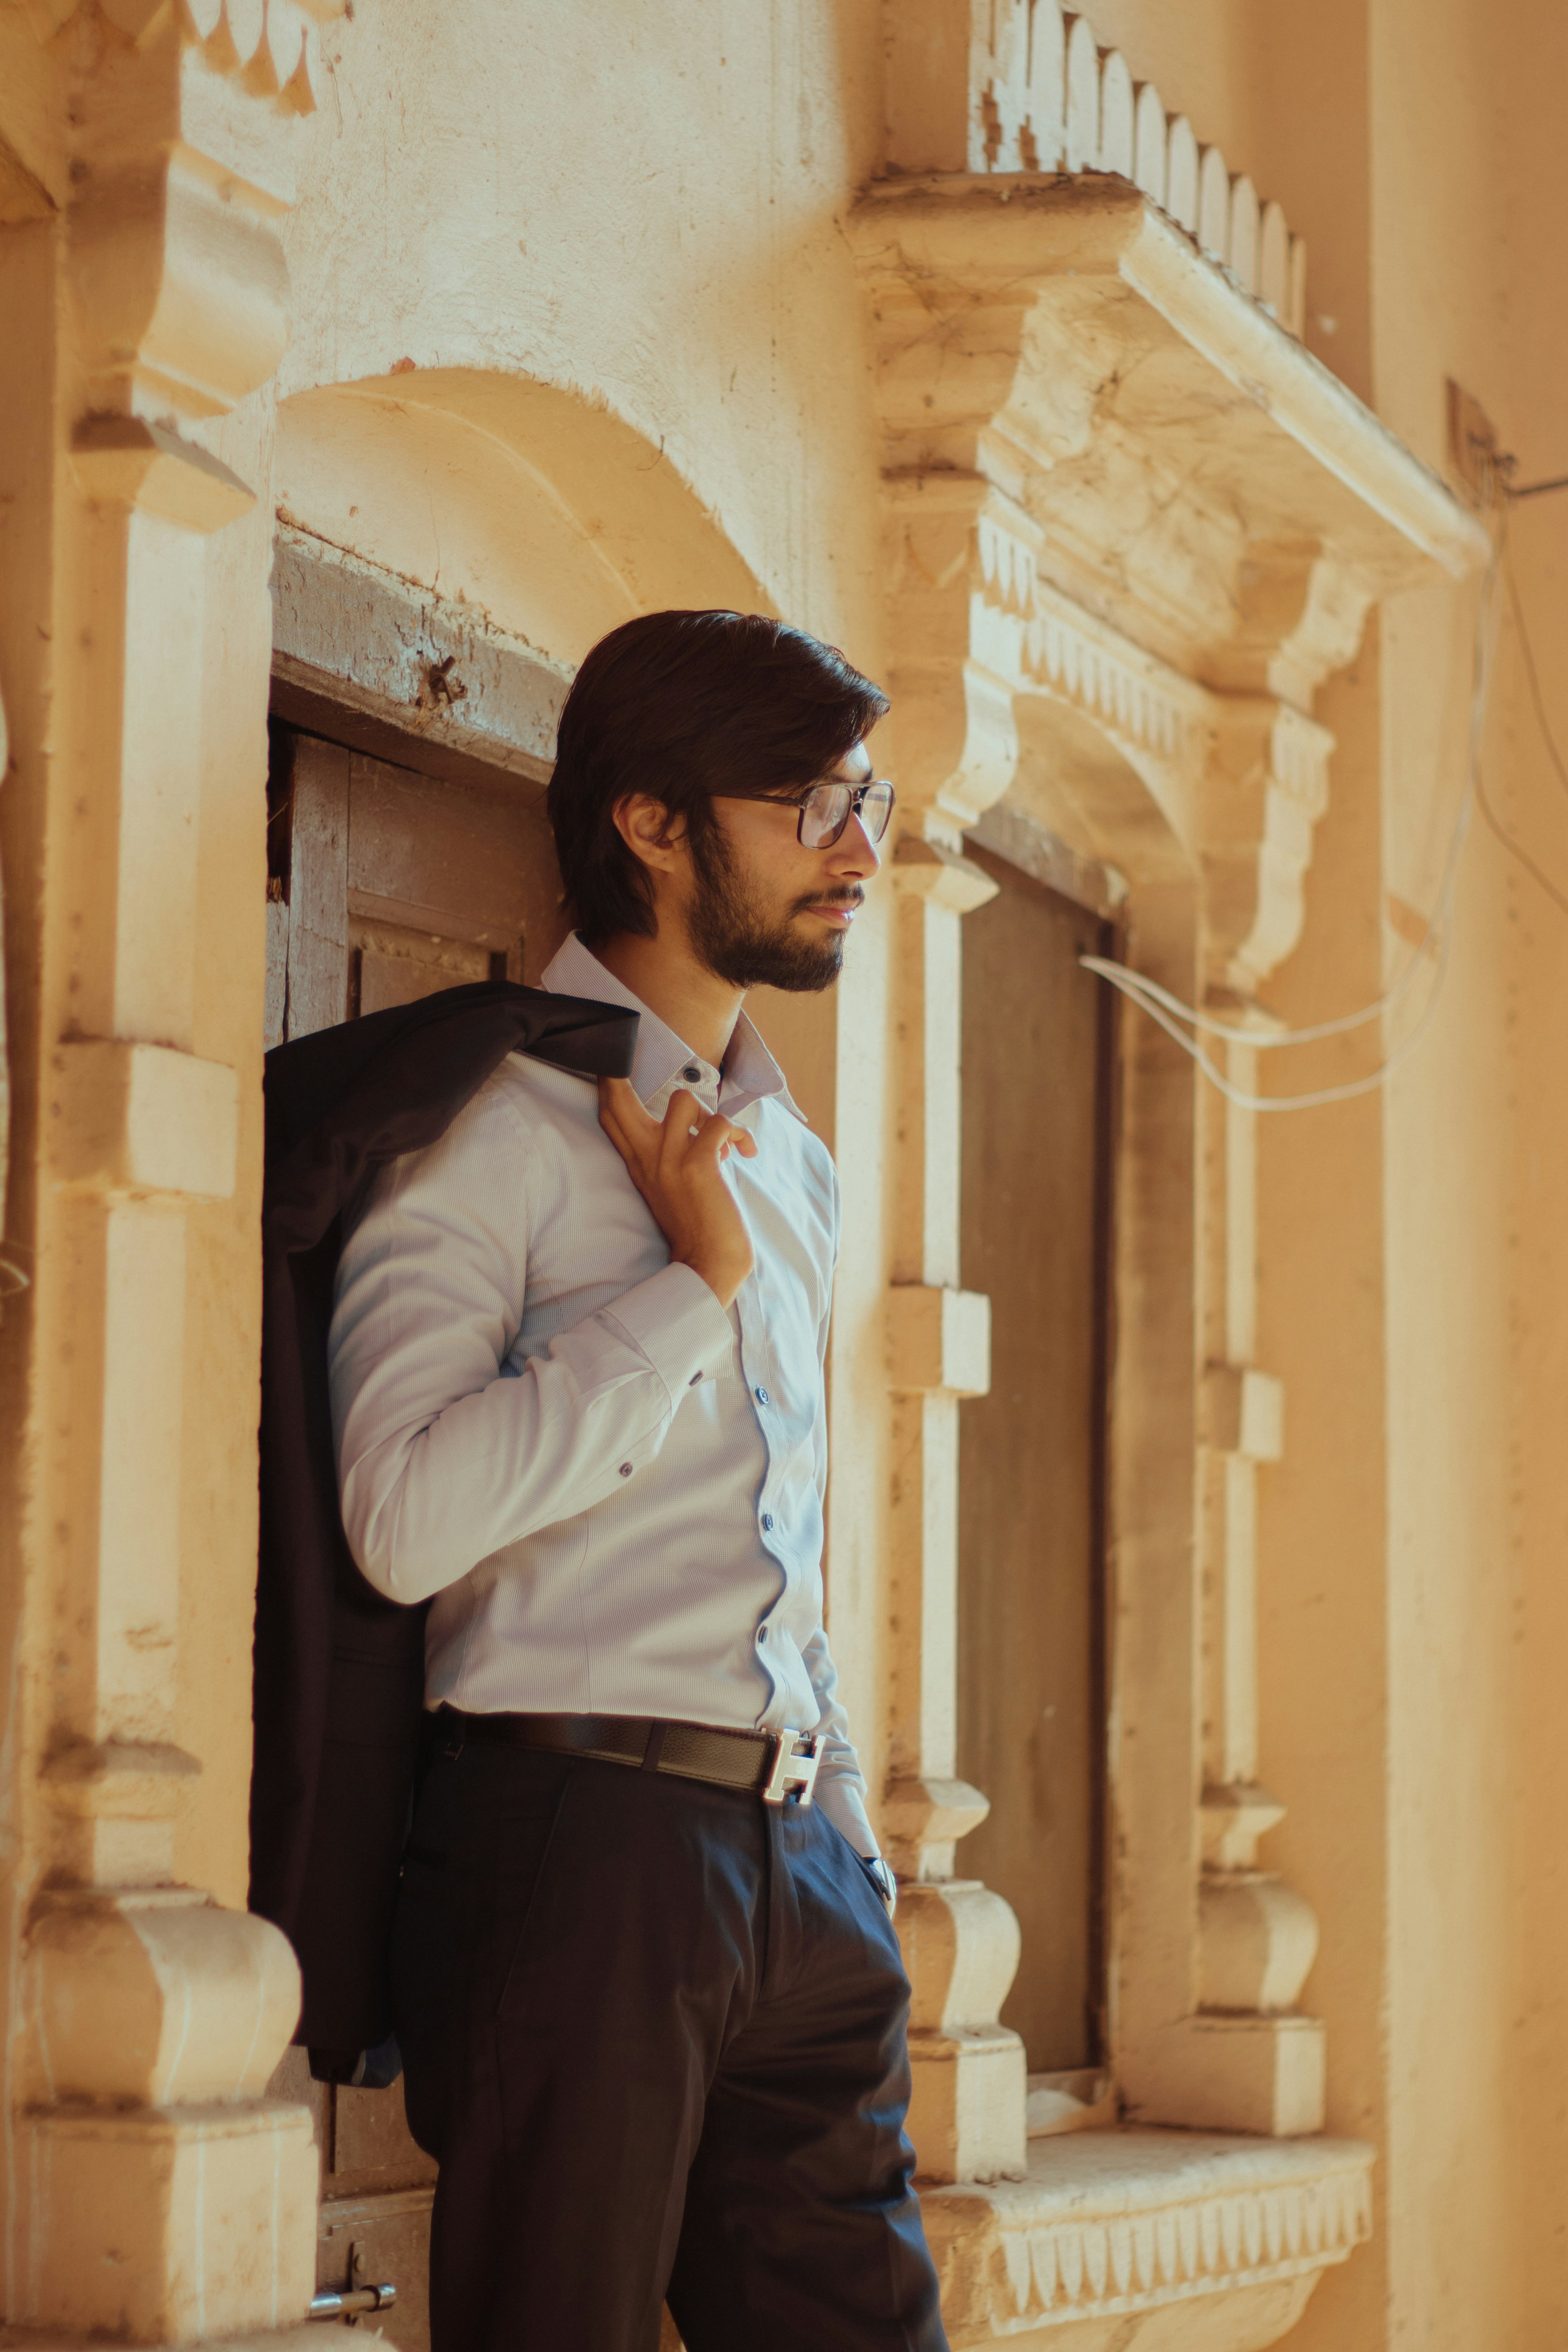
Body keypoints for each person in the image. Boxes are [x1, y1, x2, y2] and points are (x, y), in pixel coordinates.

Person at [327, 609, 949, 2352]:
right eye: (809, 799)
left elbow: (782, 1537)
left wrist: (842, 1843)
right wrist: (685, 1294)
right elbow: (399, 1520)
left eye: (866, 796)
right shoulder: (489, 1122)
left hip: (798, 1870)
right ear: (651, 824)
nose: (858, 845)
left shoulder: (795, 1164)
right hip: (582, 1853)